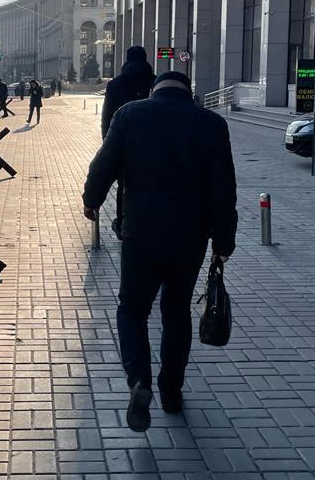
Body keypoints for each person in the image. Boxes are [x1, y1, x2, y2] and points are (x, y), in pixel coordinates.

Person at [82, 70, 237, 432]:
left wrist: (92, 201)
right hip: (190, 237)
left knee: (133, 309)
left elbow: (102, 165)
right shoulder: (211, 124)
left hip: (141, 233)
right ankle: (171, 391)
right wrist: (223, 242)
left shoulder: (131, 115)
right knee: (176, 310)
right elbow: (223, 189)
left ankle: (140, 381)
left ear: (154, 91)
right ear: (189, 92)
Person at [101, 46, 157, 238]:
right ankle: (150, 221)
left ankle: (123, 224)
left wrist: (107, 146)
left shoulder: (115, 85)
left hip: (125, 144)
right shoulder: (154, 82)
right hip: (154, 145)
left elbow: (107, 118)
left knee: (124, 185)